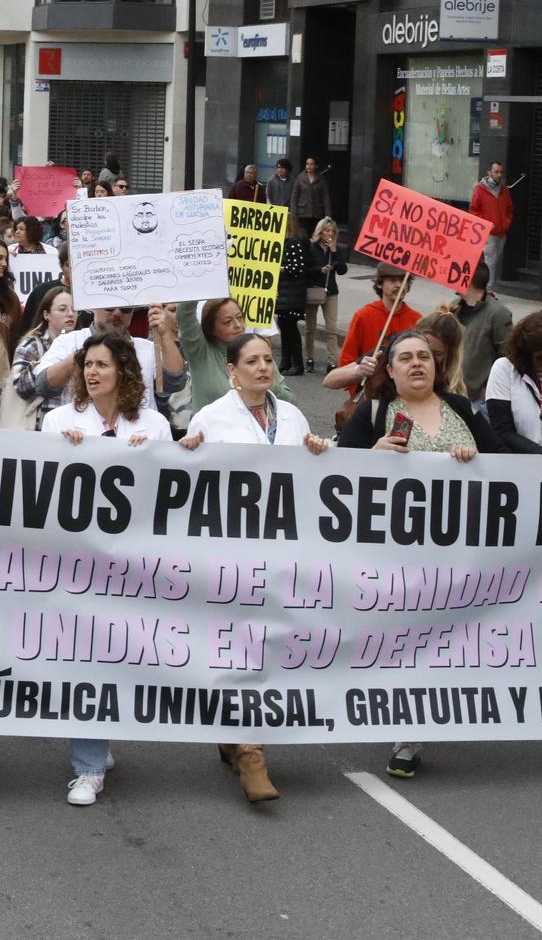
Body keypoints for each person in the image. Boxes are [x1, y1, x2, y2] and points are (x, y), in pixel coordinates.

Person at [337, 329, 501, 779]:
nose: (416, 364)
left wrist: (479, 459)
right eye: (405, 358)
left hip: (459, 555)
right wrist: (373, 454)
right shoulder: (374, 413)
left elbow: (510, 470)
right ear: (389, 370)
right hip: (396, 557)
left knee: (445, 642)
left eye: (424, 357)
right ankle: (408, 735)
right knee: (410, 641)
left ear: (437, 365)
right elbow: (335, 479)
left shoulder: (465, 410)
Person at [180, 333, 331, 802]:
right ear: (232, 370)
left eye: (268, 359)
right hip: (231, 552)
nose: (263, 368)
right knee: (238, 644)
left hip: (283, 551)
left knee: (270, 644)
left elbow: (312, 479)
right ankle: (250, 752)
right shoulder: (212, 417)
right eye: (252, 361)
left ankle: (234, 733)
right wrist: (185, 450)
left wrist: (319, 452)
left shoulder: (291, 416)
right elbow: (188, 477)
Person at [38, 331, 171, 806]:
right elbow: (40, 494)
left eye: (101, 364)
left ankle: (100, 734)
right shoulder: (57, 420)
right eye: (86, 364)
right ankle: (88, 767)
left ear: (124, 372)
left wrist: (153, 459)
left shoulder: (153, 425)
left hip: (134, 568)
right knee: (84, 660)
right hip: (77, 567)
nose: (91, 373)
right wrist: (62, 453)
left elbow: (169, 499)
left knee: (119, 660)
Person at [38, 304, 186, 415]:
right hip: (80, 439)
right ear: (93, 306)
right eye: (109, 307)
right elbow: (43, 385)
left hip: (136, 438)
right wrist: (81, 355)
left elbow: (175, 383)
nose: (117, 313)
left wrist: (165, 334)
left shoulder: (147, 349)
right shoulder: (68, 342)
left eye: (125, 308)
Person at [175, 297, 299, 413]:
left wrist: (267, 383)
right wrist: (200, 279)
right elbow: (184, 312)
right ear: (211, 328)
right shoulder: (200, 353)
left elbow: (290, 403)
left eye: (240, 318)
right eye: (228, 322)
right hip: (212, 434)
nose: (238, 325)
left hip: (255, 434)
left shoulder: (259, 353)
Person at [327, 267, 421, 395]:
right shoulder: (363, 316)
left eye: (403, 280)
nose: (399, 285)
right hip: (370, 394)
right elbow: (347, 360)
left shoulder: (417, 320)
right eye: (393, 280)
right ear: (379, 284)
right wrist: (358, 389)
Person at [3, 281, 78, 430]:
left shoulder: (82, 343)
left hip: (73, 426)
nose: (70, 314)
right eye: (62, 309)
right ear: (46, 314)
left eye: (74, 309)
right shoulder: (32, 344)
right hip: (40, 427)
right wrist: (51, 364)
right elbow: (20, 386)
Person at [451, 261, 512, 399]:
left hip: (478, 396)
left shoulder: (499, 314)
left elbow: (506, 357)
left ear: (468, 280)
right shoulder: (453, 307)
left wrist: (488, 388)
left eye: (457, 274)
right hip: (452, 390)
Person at [275, 211, 320, 376]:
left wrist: (278, 268)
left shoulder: (293, 243)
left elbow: (296, 268)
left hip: (292, 293)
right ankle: (286, 362)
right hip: (287, 292)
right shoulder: (288, 242)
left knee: (290, 329)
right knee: (285, 326)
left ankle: (296, 364)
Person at [304, 219, 348, 373]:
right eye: (326, 231)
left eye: (332, 232)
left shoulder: (335, 250)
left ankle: (332, 361)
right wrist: (319, 270)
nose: (329, 234)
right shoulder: (311, 247)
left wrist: (335, 251)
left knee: (331, 328)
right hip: (314, 290)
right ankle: (309, 357)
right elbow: (305, 270)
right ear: (320, 232)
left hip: (330, 291)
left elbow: (343, 270)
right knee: (310, 327)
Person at [469, 162, 513, 280]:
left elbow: (509, 209)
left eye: (501, 172)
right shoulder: (480, 189)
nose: (499, 175)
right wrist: (486, 225)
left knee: (495, 260)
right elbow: (474, 210)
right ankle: (488, 290)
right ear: (489, 173)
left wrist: (507, 222)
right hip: (489, 233)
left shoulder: (504, 190)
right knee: (491, 262)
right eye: (496, 172)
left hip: (501, 232)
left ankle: (484, 287)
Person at [291, 157, 331, 230]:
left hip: (317, 213)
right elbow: (294, 195)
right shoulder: (300, 177)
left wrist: (327, 214)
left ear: (316, 166)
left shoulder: (321, 178)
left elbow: (325, 197)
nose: (309, 166)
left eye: (311, 164)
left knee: (315, 235)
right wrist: (294, 211)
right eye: (307, 164)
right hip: (302, 213)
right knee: (303, 235)